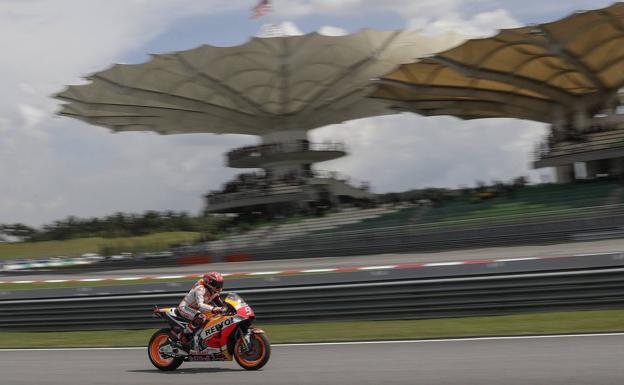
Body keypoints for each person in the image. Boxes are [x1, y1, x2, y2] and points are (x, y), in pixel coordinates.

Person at [176, 271, 226, 352]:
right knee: (201, 317)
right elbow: (200, 305)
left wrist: (227, 309)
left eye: (220, 284)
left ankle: (201, 339)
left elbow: (219, 302)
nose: (219, 286)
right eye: (217, 284)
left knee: (215, 317)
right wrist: (213, 309)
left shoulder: (213, 290)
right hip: (185, 308)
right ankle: (183, 336)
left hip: (197, 310)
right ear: (209, 283)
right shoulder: (200, 289)